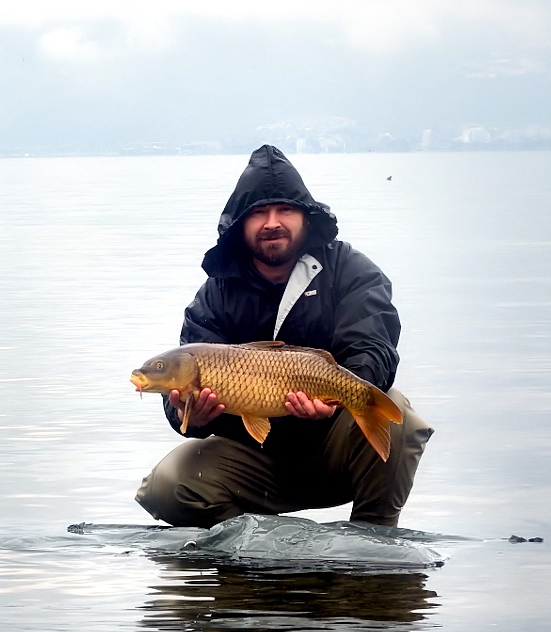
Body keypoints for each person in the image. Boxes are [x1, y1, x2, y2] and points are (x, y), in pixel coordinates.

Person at [136, 145, 433, 529]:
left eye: (285, 210)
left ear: (306, 219)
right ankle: (252, 549)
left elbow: (373, 347)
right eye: (258, 212)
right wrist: (191, 417)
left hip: (334, 450)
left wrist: (340, 400)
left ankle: (373, 543)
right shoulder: (216, 294)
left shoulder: (350, 271)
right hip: (252, 461)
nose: (272, 222)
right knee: (166, 485)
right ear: (240, 224)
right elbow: (181, 406)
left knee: (397, 413)